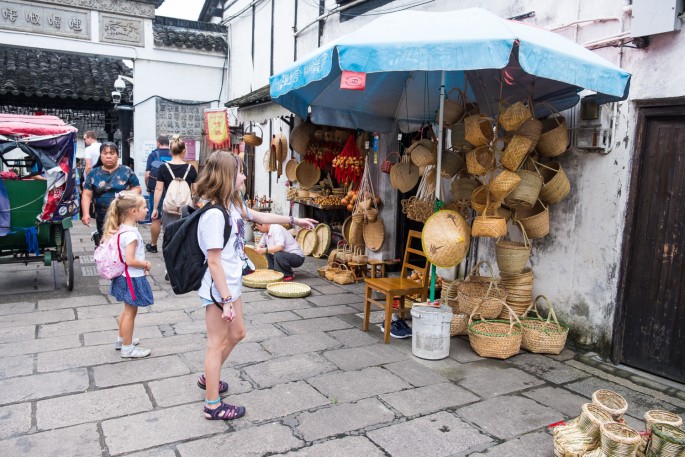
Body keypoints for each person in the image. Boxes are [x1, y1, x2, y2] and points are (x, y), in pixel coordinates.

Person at [195, 151, 316, 420]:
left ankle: (208, 377)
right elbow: (213, 262)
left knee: (237, 333)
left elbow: (259, 216)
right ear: (228, 175)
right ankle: (212, 405)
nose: (245, 176)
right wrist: (225, 299)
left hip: (231, 284)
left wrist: (295, 221)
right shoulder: (214, 214)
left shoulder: (232, 205)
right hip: (219, 289)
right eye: (240, 171)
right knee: (215, 343)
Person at [101, 191, 153, 358]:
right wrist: (145, 263)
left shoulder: (122, 229)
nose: (147, 209)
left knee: (126, 310)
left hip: (124, 276)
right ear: (133, 211)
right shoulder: (131, 234)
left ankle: (121, 339)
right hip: (132, 277)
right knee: (131, 312)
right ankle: (127, 348)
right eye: (144, 207)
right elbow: (130, 260)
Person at [81, 142, 141, 245]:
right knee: (105, 243)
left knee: (123, 243)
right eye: (105, 153)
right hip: (102, 215)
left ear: (117, 155)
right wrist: (86, 213)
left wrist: (126, 194)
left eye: (112, 153)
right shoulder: (93, 173)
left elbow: (137, 188)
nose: (108, 156)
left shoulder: (126, 171)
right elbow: (87, 194)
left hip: (123, 215)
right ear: (101, 155)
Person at [151, 135, 198, 229]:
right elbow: (195, 190)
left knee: (168, 234)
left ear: (171, 151)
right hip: (185, 208)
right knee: (184, 235)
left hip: (169, 206)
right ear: (184, 151)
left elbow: (158, 189)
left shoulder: (163, 168)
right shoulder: (191, 168)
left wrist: (155, 208)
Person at [145, 134, 172, 253]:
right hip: (172, 191)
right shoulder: (173, 154)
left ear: (158, 143)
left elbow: (147, 175)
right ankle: (170, 245)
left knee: (156, 217)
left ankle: (154, 245)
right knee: (171, 218)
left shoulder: (153, 155)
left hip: (156, 190)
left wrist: (149, 188)